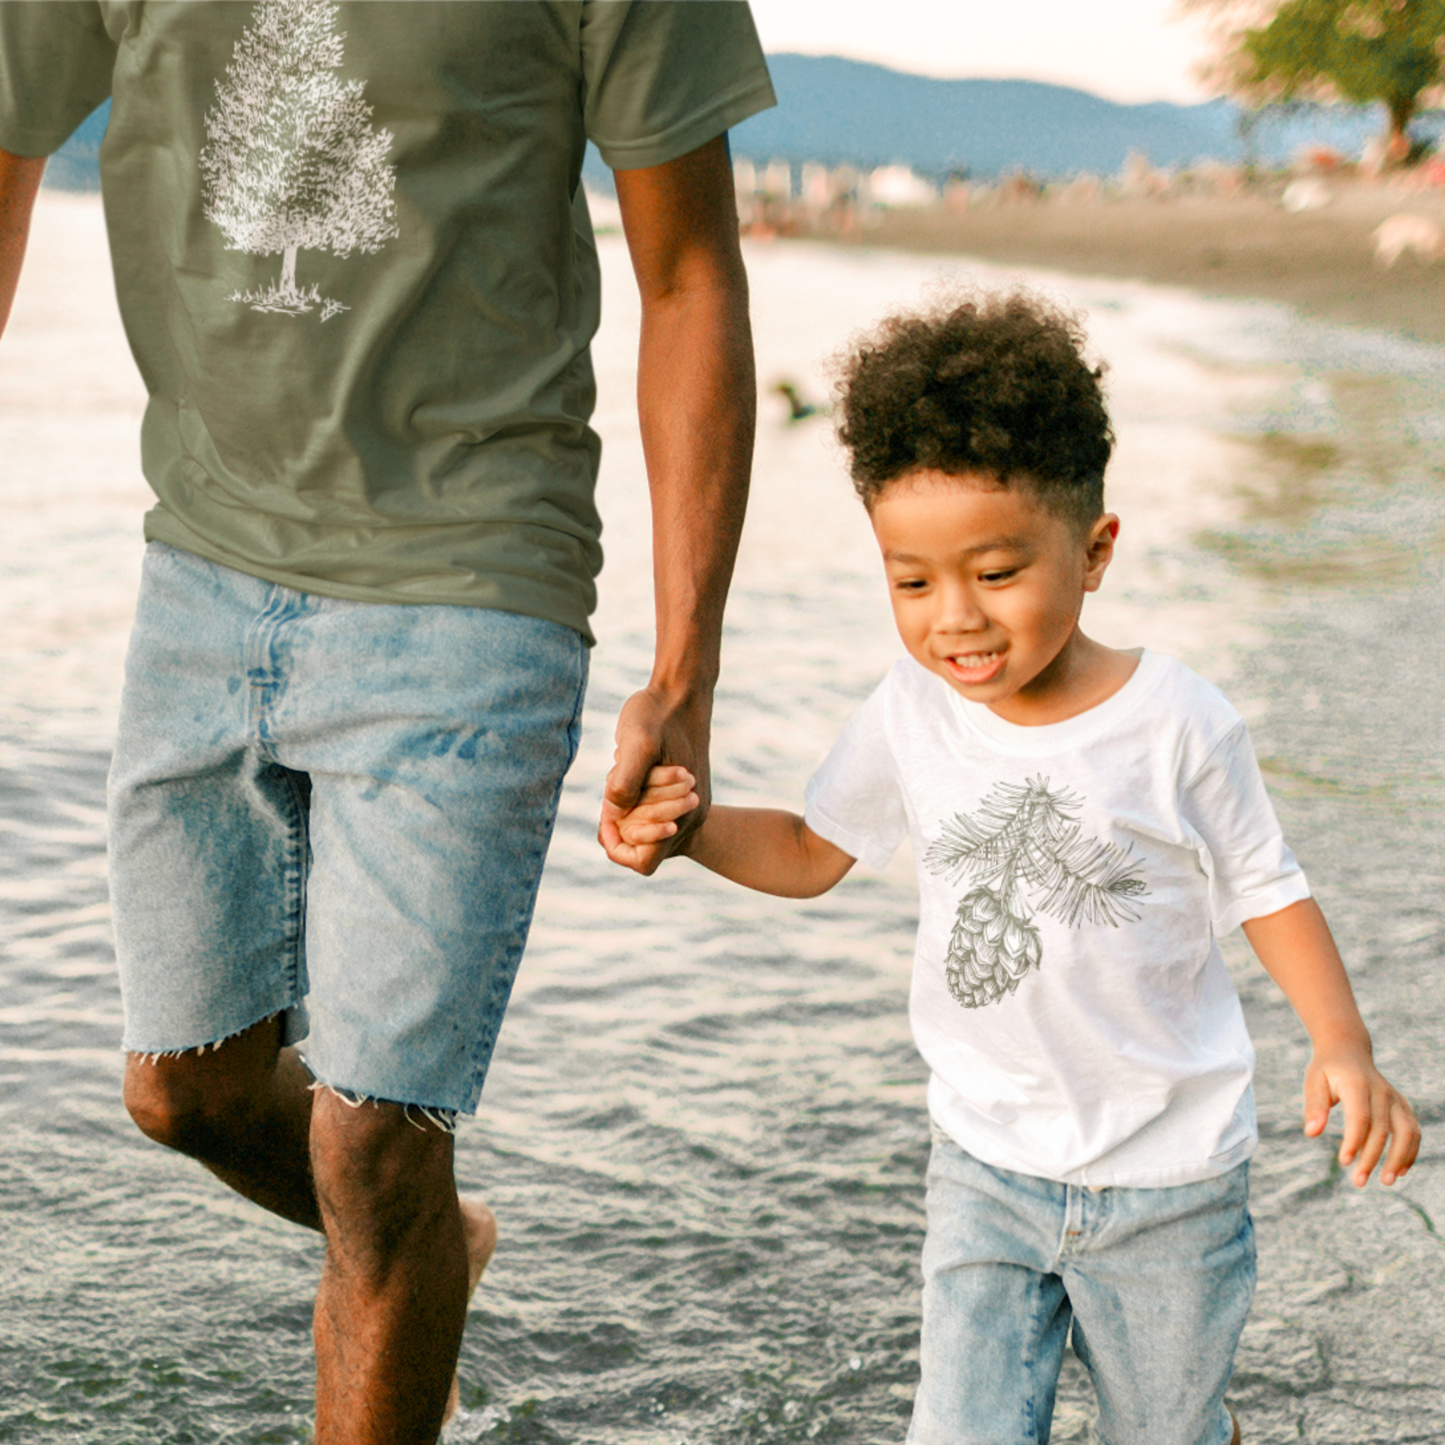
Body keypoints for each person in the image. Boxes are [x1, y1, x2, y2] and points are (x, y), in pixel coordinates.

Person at [0, 2, 773, 1441]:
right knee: (183, 1089)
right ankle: (442, 1234)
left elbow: (687, 275)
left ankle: (402, 1218)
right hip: (202, 565)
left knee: (369, 1140)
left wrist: (686, 667)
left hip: (477, 578)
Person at [605, 290, 1421, 1445]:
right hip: (983, 1160)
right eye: (911, 581)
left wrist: (1341, 1044)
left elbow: (1265, 887)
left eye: (994, 572)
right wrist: (691, 831)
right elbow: (806, 849)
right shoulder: (908, 710)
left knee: (1164, 1428)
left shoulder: (1175, 721)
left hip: (1166, 1178)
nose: (954, 621)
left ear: (1091, 552)